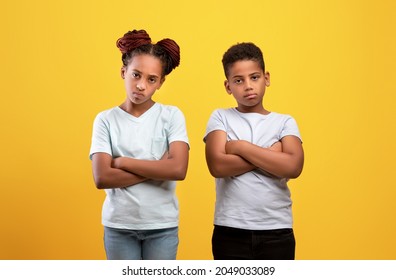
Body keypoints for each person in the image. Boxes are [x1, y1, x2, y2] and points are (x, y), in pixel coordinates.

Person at [89, 29, 189, 260]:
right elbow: (102, 177)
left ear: (161, 82)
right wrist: (158, 168)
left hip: (162, 226)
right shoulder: (105, 120)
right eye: (136, 75)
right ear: (124, 72)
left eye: (151, 79)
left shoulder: (171, 116)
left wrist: (123, 162)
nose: (141, 85)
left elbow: (178, 170)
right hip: (119, 226)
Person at [203, 42, 304, 260]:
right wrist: (271, 154)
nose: (248, 86)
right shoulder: (220, 117)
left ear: (266, 78)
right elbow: (218, 166)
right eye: (238, 80)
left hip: (277, 230)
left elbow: (293, 166)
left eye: (254, 77)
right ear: (228, 86)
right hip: (230, 230)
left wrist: (240, 147)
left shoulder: (284, 122)